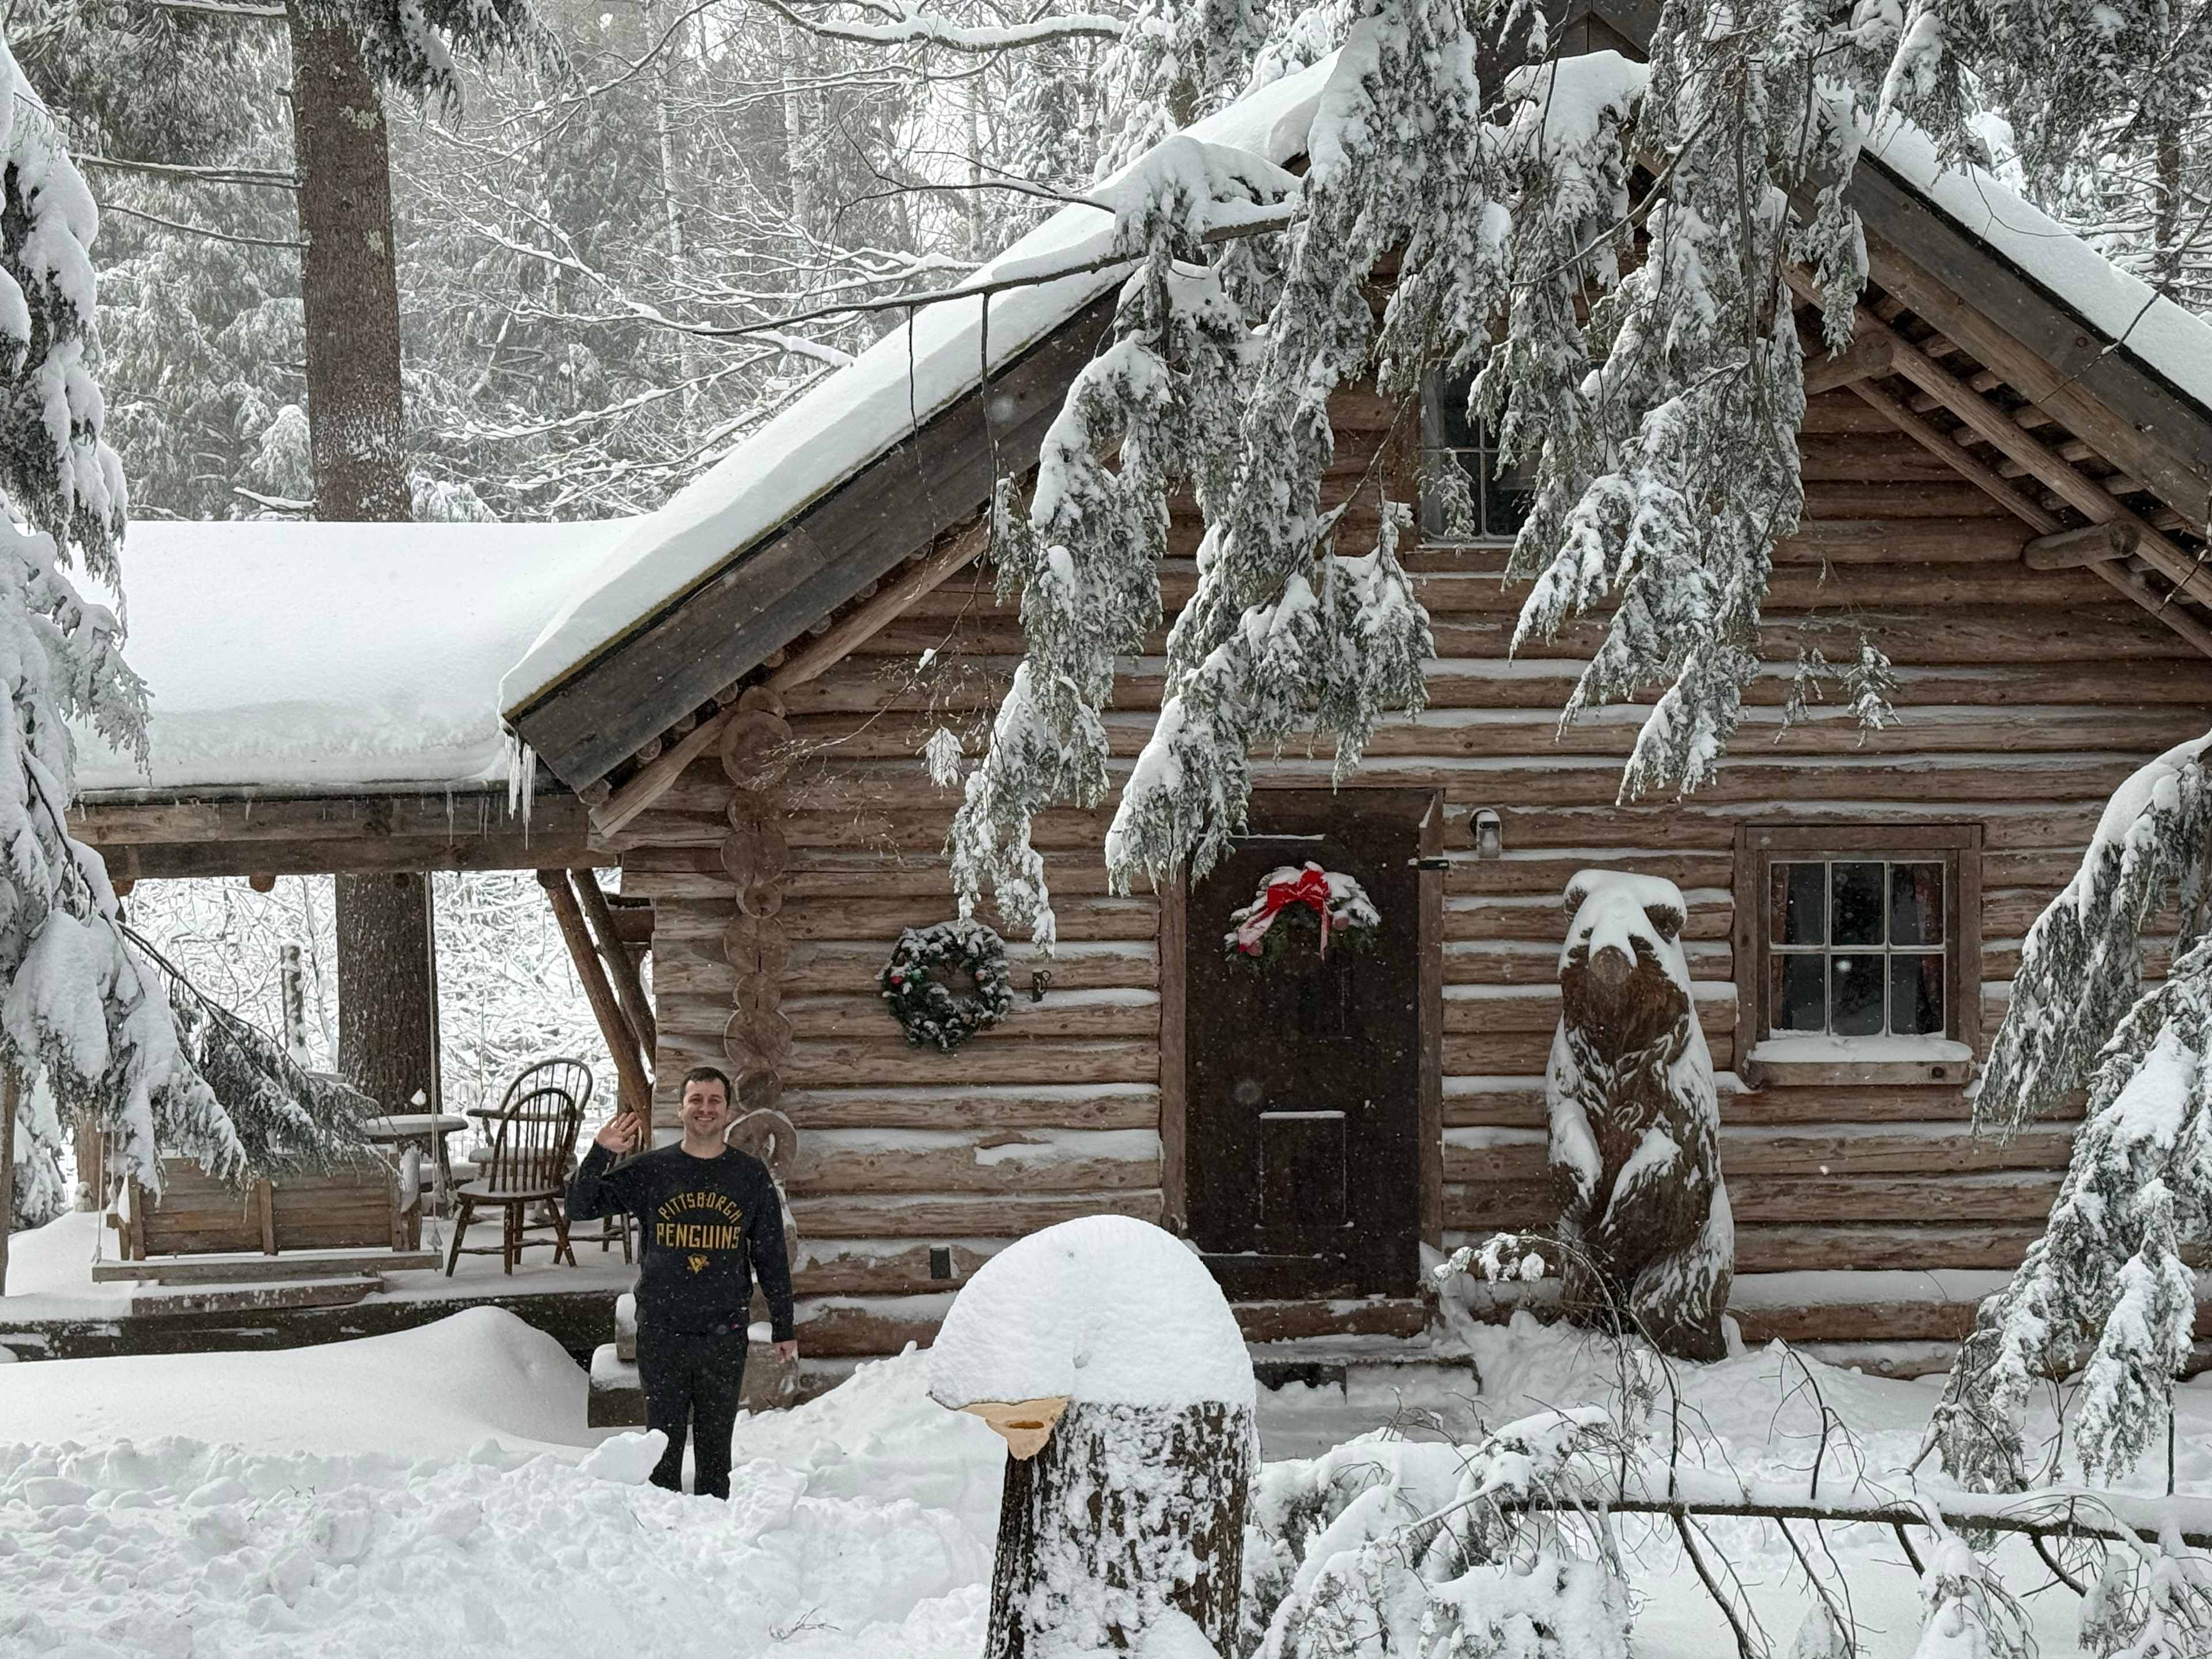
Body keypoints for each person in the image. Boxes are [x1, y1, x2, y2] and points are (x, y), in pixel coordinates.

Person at [566, 1065, 798, 1499]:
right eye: (696, 1100)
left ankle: (713, 1547)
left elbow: (769, 1254)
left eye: (714, 1101)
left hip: (724, 1332)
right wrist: (601, 1151)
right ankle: (663, 1540)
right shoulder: (653, 1170)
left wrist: (784, 1325)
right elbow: (580, 1206)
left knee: (715, 1453)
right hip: (662, 1329)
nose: (705, 1109)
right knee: (662, 1450)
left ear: (728, 1111)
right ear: (681, 1109)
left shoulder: (749, 1176)